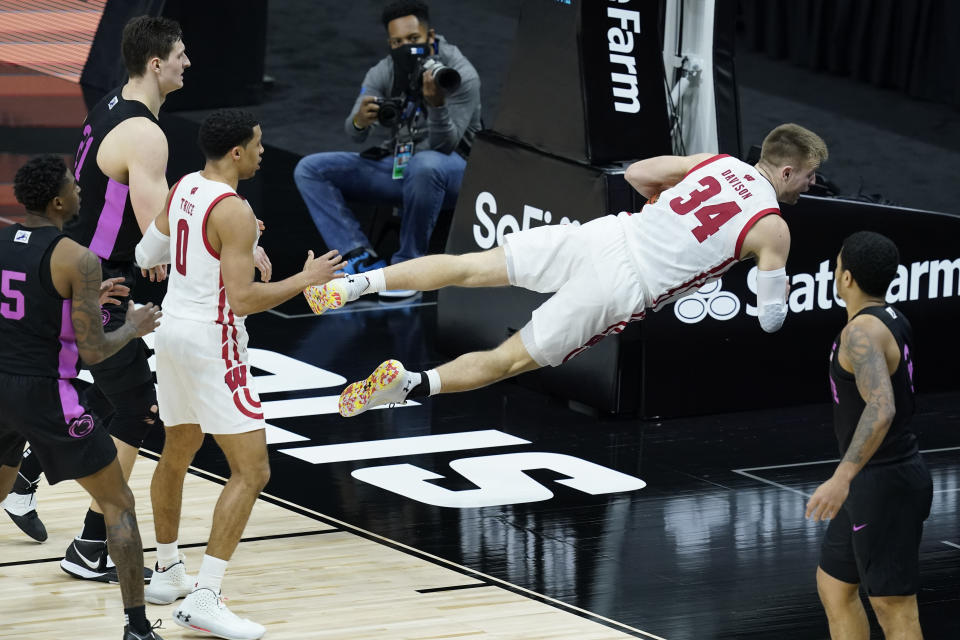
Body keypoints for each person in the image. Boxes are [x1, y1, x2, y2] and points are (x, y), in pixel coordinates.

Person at [303, 123, 827, 415]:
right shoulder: (772, 225)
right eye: (809, 177)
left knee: (467, 266)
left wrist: (660, 211)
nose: (811, 186)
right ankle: (411, 385)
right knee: (508, 360)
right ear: (785, 170)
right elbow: (771, 320)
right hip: (623, 286)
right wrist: (753, 271)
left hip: (603, 235)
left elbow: (640, 173)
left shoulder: (719, 162)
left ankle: (354, 284)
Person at [135, 109, 344, 639]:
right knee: (252, 471)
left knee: (178, 448)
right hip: (212, 341)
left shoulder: (186, 186)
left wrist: (241, 247)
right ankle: (206, 596)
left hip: (172, 332)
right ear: (236, 152)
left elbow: (146, 253)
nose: (262, 151)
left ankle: (166, 571)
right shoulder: (235, 211)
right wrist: (307, 276)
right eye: (257, 144)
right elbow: (246, 300)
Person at [21, 15, 191, 581]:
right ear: (155, 63)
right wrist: (233, 241)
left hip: (78, 273)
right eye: (181, 55)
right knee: (136, 410)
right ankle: (91, 546)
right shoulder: (146, 133)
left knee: (101, 393)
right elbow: (156, 238)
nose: (188, 64)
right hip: (99, 283)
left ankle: (26, 471)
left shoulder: (110, 106)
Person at [0, 155, 163, 639]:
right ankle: (137, 627)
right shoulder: (78, 257)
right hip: (47, 394)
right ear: (56, 201)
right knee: (119, 504)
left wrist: (82, 299)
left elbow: (28, 303)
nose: (80, 192)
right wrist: (132, 328)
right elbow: (93, 352)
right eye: (74, 186)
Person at [293, 0, 481, 298]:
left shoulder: (458, 74)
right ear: (390, 42)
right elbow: (354, 134)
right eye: (397, 42)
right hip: (401, 166)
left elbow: (447, 144)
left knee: (426, 164)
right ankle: (359, 258)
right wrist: (358, 121)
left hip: (455, 174)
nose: (406, 47)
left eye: (413, 39)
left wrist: (437, 107)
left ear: (430, 37)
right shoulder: (384, 71)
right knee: (311, 169)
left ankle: (408, 268)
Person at [807, 231, 932, 640]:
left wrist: (841, 478)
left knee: (895, 610)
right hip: (873, 480)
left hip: (883, 483)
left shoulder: (860, 333)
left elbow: (882, 408)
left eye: (838, 264)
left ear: (847, 279)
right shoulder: (891, 318)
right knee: (835, 585)